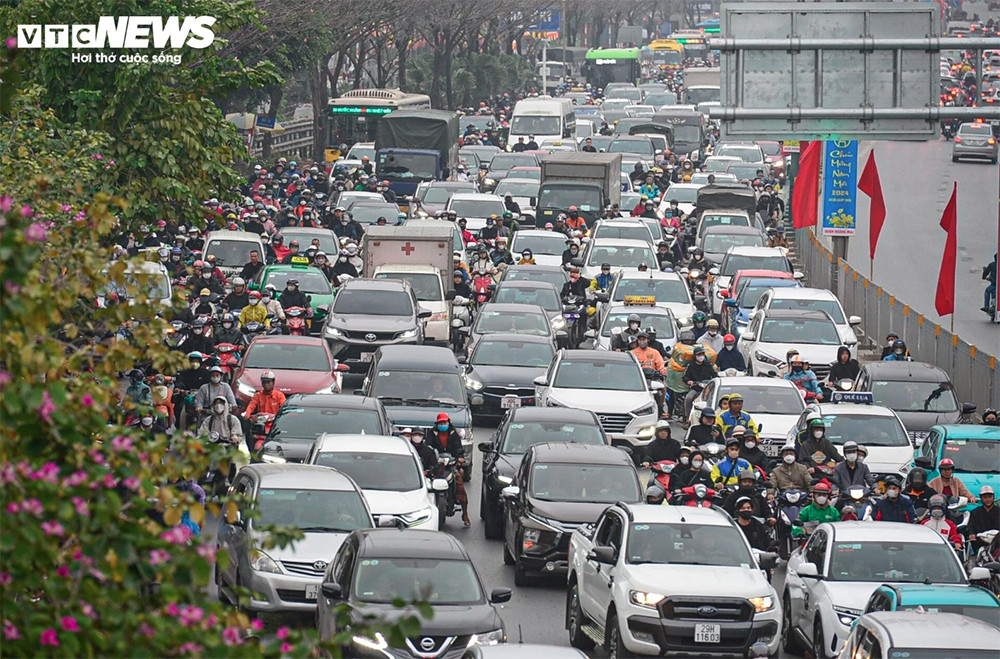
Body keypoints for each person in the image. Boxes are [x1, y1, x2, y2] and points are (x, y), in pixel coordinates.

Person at [428, 412, 469, 526]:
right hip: (436, 465)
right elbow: (428, 447)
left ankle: (465, 513)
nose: (443, 425)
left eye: (444, 422)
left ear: (448, 422)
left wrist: (459, 458)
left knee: (459, 484)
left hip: (451, 465)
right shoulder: (432, 433)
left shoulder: (453, 434)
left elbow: (458, 448)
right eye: (440, 423)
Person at [197, 396, 248, 465]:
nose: (218, 406)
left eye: (221, 403)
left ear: (225, 405)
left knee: (230, 467)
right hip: (212, 448)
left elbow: (238, 435)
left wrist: (235, 438)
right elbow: (202, 433)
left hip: (228, 448)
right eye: (216, 403)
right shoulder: (209, 420)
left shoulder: (233, 420)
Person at [682, 345, 717, 419]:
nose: (701, 356)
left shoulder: (708, 365)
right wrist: (689, 381)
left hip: (707, 387)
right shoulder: (691, 365)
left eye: (702, 354)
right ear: (695, 356)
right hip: (696, 387)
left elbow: (714, 375)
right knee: (688, 398)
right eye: (699, 355)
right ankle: (687, 417)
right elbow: (685, 376)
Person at [968, 486, 998, 551]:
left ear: (993, 497)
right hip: (980, 542)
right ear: (981, 498)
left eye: (990, 497)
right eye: (985, 497)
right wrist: (971, 534)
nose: (988, 499)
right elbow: (970, 526)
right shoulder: (975, 512)